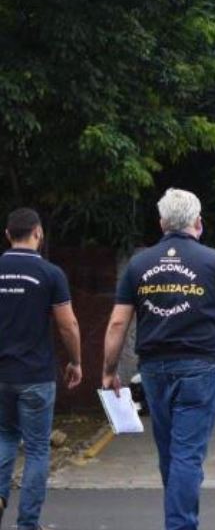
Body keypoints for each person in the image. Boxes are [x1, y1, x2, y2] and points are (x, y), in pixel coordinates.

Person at [102, 188, 215, 530]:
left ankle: (178, 520)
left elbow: (119, 321)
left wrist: (108, 370)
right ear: (198, 222)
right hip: (198, 369)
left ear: (162, 222)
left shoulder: (139, 264)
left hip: (153, 369)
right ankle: (180, 525)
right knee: (187, 455)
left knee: (170, 453)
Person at [0, 208, 82, 530]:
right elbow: (68, 325)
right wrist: (76, 361)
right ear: (38, 233)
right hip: (35, 376)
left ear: (8, 235)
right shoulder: (50, 274)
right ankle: (27, 524)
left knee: (4, 438)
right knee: (36, 449)